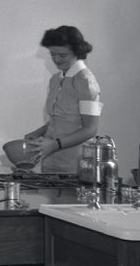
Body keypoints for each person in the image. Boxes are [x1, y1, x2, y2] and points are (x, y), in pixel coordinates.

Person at [23, 25, 102, 173]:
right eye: (53, 54)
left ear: (77, 52)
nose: (57, 59)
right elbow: (60, 119)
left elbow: (90, 129)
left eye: (62, 55)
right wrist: (38, 132)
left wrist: (54, 144)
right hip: (50, 159)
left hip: (76, 163)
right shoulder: (55, 79)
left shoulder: (86, 82)